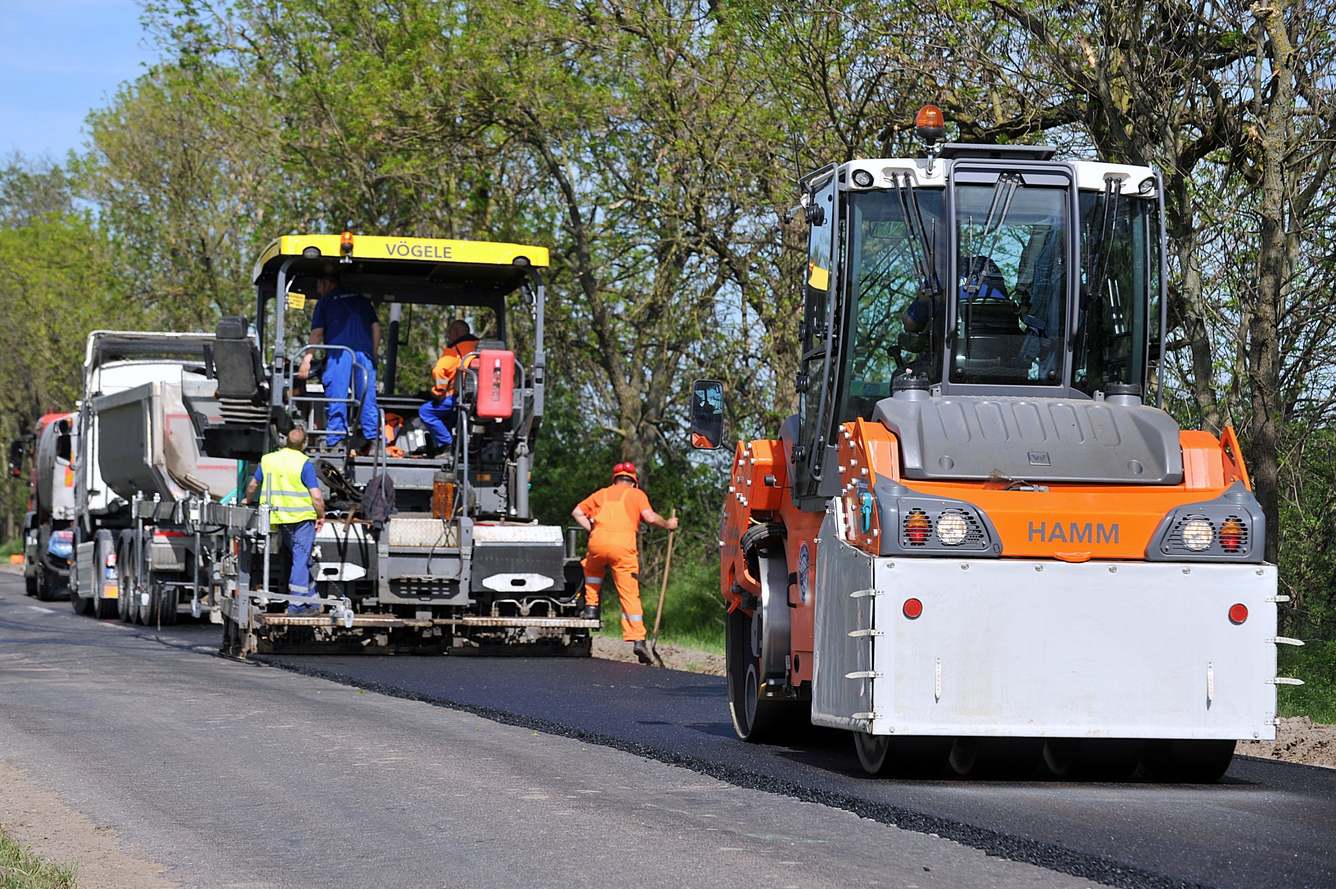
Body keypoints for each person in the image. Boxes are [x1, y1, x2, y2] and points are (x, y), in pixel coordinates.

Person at [572, 462, 678, 665]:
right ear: (634, 482)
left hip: (597, 543)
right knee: (628, 592)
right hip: (623, 548)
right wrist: (668, 524)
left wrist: (591, 529)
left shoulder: (601, 493)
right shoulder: (636, 495)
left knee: (592, 571)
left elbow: (577, 511)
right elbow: (649, 517)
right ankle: (638, 639)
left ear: (615, 479)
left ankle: (591, 608)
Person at [244, 428, 326, 615]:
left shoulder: (268, 460)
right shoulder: (304, 463)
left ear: (285, 442)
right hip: (302, 520)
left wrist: (247, 500)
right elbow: (316, 497)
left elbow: (252, 485)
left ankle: (313, 602)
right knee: (301, 560)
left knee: (300, 560)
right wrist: (321, 515)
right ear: (304, 444)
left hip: (279, 519)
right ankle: (296, 606)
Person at [298, 272, 380, 452]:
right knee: (367, 397)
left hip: (339, 354)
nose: (318, 290)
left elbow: (317, 332)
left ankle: (336, 441)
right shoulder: (362, 301)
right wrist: (373, 353)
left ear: (327, 283)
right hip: (363, 355)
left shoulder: (325, 302)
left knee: (337, 396)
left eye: (319, 285)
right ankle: (374, 442)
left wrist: (307, 359)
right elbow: (375, 328)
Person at [417, 319, 480, 453]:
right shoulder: (479, 346)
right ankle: (440, 446)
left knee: (426, 411)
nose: (448, 336)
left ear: (456, 333)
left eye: (449, 333)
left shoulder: (455, 350)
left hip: (458, 398)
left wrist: (439, 392)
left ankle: (447, 444)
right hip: (479, 398)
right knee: (449, 417)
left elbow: (439, 370)